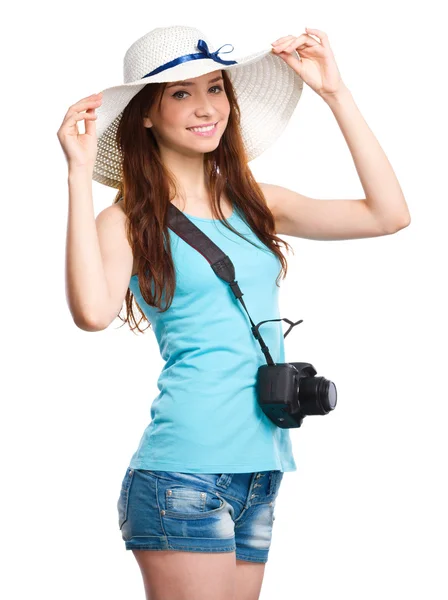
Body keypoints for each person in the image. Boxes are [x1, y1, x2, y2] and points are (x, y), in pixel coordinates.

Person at [57, 24, 410, 600]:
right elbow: (93, 313)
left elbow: (388, 215)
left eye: (216, 88)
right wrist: (76, 175)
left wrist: (335, 94)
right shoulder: (128, 220)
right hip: (183, 473)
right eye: (181, 93)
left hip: (260, 470)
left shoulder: (256, 203)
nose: (206, 107)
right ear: (146, 113)